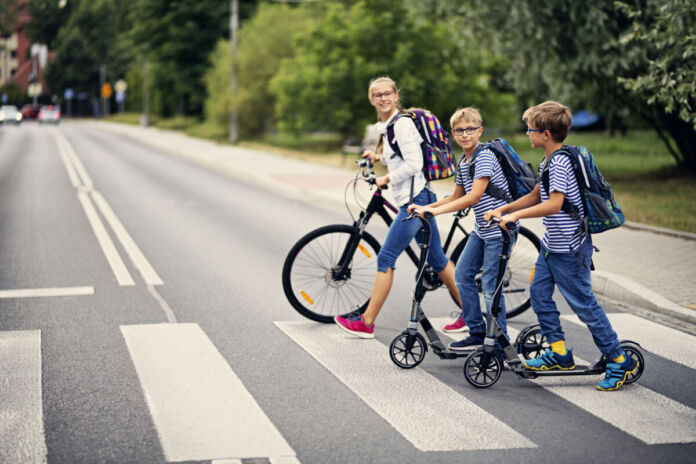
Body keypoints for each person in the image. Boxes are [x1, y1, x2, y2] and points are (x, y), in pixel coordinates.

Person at [484, 101, 638, 391]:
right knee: (539, 294)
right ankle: (559, 353)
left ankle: (618, 359)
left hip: (570, 248)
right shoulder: (548, 160)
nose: (526, 134)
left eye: (529, 129)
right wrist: (505, 210)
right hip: (551, 246)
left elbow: (554, 204)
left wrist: (515, 216)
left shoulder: (560, 163)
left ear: (545, 133)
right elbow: (535, 195)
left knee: (584, 305)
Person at [334, 76, 461, 338]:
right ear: (372, 99)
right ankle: (473, 316)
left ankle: (367, 322)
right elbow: (398, 155)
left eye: (387, 93)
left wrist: (386, 178)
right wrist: (377, 156)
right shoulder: (387, 126)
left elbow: (414, 164)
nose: (383, 98)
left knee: (386, 258)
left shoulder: (402, 125)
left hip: (415, 202)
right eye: (378, 95)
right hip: (416, 197)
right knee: (437, 259)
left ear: (395, 95)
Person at [409, 107, 517, 351]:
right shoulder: (464, 159)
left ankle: (499, 343)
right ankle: (477, 332)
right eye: (460, 130)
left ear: (479, 130)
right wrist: (425, 206)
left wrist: (435, 212)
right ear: (452, 134)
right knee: (462, 275)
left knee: (490, 287)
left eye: (470, 129)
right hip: (481, 230)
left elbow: (474, 197)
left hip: (500, 231)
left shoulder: (485, 156)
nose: (465, 134)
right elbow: (457, 195)